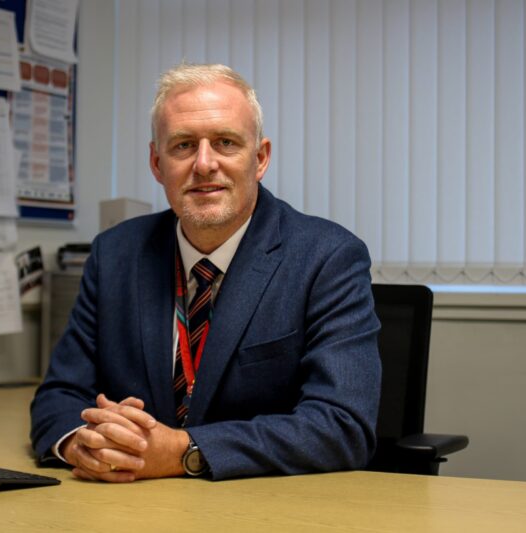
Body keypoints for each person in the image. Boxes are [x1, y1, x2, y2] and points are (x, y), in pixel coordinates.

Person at [30, 63, 381, 482]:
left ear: (260, 158)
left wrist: (183, 451)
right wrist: (80, 444)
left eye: (226, 142)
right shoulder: (115, 254)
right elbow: (59, 394)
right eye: (182, 146)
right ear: (157, 164)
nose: (204, 164)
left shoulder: (327, 257)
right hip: (131, 507)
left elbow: (341, 426)